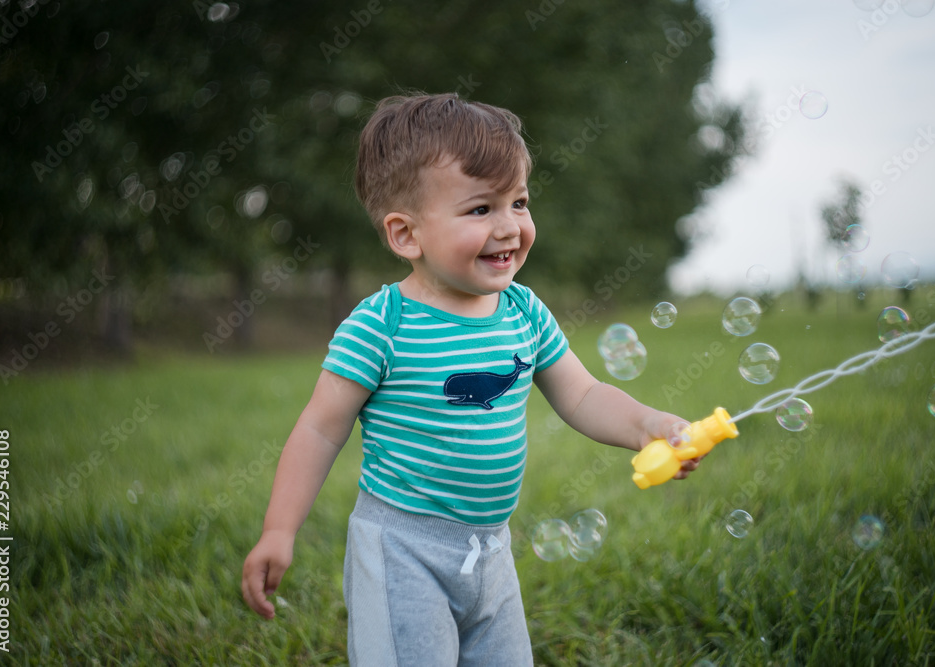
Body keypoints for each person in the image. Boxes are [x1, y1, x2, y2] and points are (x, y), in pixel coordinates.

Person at [241, 92, 700, 665]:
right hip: (402, 550)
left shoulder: (525, 312)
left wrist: (647, 424)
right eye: (481, 209)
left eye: (520, 202)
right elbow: (320, 429)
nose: (509, 226)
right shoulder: (382, 325)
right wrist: (279, 530)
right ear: (406, 235)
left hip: (490, 551)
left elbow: (582, 393)